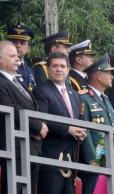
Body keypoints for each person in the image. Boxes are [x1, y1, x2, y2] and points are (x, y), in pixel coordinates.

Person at [0, 41, 48, 194]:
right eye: (12, 56)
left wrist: (42, 124)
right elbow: (10, 108)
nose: (18, 59)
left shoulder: (19, 82)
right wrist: (37, 126)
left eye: (17, 56)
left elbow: (35, 108)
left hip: (32, 146)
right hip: (15, 147)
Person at [32, 52, 89, 194]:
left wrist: (80, 132)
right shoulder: (41, 91)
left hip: (71, 157)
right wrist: (68, 129)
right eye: (55, 66)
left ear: (67, 70)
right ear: (48, 69)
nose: (59, 69)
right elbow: (43, 119)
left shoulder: (74, 94)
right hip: (51, 158)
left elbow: (77, 121)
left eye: (63, 66)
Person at [78, 53, 114, 194]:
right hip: (94, 161)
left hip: (109, 159)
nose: (112, 77)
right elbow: (84, 129)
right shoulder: (84, 98)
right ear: (99, 76)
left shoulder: (106, 100)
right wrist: (91, 158)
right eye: (109, 73)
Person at [7, 24, 37, 91]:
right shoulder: (5, 66)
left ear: (28, 49)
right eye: (14, 42)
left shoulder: (30, 71)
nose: (18, 46)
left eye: (22, 43)